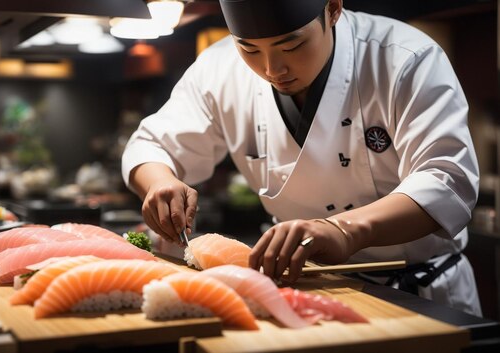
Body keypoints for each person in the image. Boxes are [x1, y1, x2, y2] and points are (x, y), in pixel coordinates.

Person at [121, 0, 482, 316]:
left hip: (418, 292)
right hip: (303, 287)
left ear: (334, 7)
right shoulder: (218, 68)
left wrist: (344, 230)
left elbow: (446, 180)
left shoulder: (404, 58)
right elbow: (151, 144)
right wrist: (160, 182)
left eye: (291, 46)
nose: (272, 69)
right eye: (249, 49)